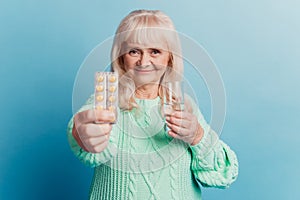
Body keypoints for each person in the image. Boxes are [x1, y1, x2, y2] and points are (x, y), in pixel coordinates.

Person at [67, 9, 238, 200]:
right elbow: (86, 139)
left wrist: (197, 136)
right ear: (121, 56)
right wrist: (82, 136)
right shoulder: (106, 102)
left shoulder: (183, 105)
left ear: (169, 57)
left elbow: (224, 174)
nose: (144, 61)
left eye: (155, 51)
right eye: (134, 51)